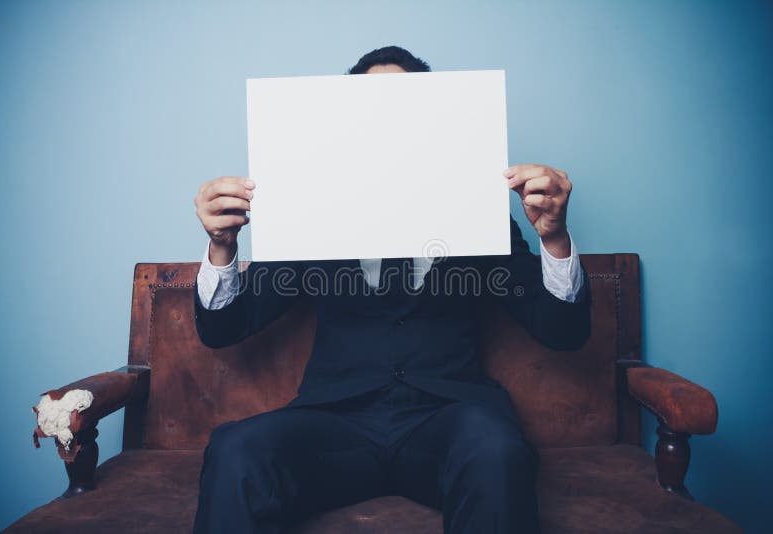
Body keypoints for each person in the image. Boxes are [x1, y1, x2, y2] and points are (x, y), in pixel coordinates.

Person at [191, 46, 590, 534]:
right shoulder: (312, 217)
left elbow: (562, 330)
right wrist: (221, 246)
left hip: (448, 422)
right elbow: (224, 327)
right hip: (335, 424)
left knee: (496, 447)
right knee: (235, 447)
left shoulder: (478, 215)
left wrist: (553, 238)